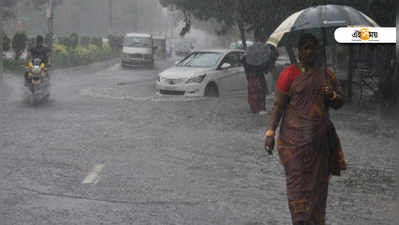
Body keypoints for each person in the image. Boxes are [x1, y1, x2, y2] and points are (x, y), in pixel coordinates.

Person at [264, 33, 347, 225]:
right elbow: (278, 106)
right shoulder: (289, 74)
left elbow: (340, 102)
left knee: (318, 188)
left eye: (314, 47)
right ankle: (299, 220)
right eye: (306, 48)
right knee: (296, 183)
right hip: (293, 144)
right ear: (300, 52)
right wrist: (270, 132)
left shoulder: (327, 75)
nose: (310, 51)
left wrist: (332, 95)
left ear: (318, 50)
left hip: (319, 145)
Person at [243, 43, 278, 114]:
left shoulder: (248, 59)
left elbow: (246, 71)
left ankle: (255, 109)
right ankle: (260, 109)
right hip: (258, 78)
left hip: (251, 79)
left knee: (254, 94)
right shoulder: (262, 58)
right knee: (260, 93)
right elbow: (265, 71)